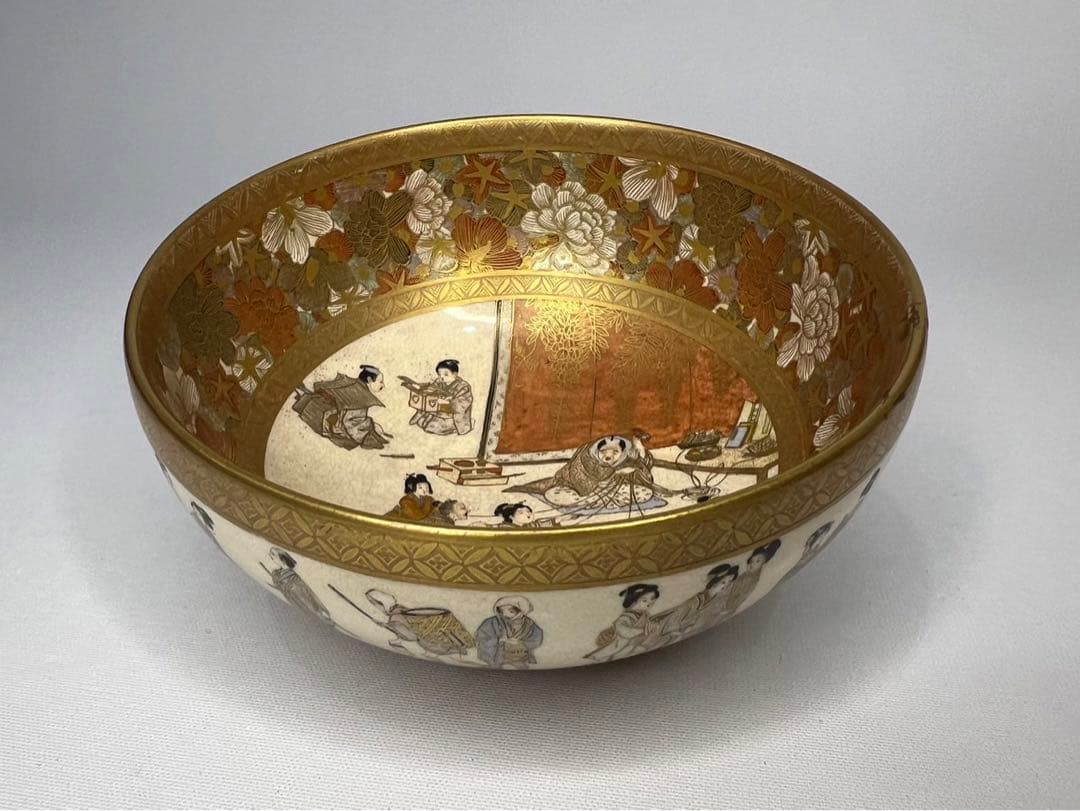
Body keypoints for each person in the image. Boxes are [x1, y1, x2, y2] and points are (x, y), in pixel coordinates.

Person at [506, 431, 674, 517]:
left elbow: (641, 469)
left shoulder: (624, 458)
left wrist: (639, 453)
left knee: (644, 493)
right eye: (605, 451)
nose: (609, 456)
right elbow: (578, 479)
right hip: (578, 490)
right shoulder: (585, 456)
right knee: (558, 495)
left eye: (615, 452)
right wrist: (613, 474)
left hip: (612, 491)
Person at [292, 364, 391, 450]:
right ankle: (369, 437)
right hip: (330, 421)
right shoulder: (360, 395)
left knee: (370, 425)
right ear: (369, 380)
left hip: (325, 410)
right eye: (380, 381)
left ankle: (373, 434)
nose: (383, 385)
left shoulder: (353, 384)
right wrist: (365, 437)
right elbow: (350, 423)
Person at [652, 563, 741, 642]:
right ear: (714, 582)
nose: (725, 586)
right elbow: (669, 625)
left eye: (729, 582)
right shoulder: (694, 602)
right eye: (723, 582)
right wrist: (681, 630)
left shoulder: (718, 600)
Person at [585, 583, 661, 662]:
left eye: (652, 602)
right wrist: (644, 629)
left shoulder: (645, 615)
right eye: (644, 600)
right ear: (633, 601)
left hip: (635, 644)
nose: (648, 604)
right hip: (619, 646)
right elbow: (625, 632)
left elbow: (650, 624)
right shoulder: (625, 618)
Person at [263, 548, 333, 625]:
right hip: (292, 595)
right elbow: (279, 586)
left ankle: (323, 617)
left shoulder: (291, 571)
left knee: (311, 605)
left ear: (282, 558)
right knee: (304, 608)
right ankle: (318, 619)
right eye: (271, 557)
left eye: (273, 556)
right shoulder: (277, 573)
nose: (272, 559)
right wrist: (277, 584)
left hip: (300, 591)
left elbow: (302, 585)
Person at [405, 359, 473, 436]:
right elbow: (431, 389)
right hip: (438, 410)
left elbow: (463, 402)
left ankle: (457, 427)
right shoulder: (439, 381)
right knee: (423, 422)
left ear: (454, 374)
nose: (442, 377)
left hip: (452, 414)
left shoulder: (463, 386)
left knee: (433, 427)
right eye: (439, 374)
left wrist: (449, 401)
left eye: (446, 374)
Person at [475, 595, 544, 668]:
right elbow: (482, 636)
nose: (505, 614)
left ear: (521, 612)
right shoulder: (491, 622)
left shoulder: (529, 624)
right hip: (498, 656)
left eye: (511, 611)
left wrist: (521, 643)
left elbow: (536, 638)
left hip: (520, 655)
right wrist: (500, 641)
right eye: (502, 611)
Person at [726, 539, 782, 614]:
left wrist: (730, 607)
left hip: (731, 605)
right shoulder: (746, 574)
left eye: (758, 561)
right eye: (752, 561)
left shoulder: (752, 579)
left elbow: (742, 595)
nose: (753, 564)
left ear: (763, 563)